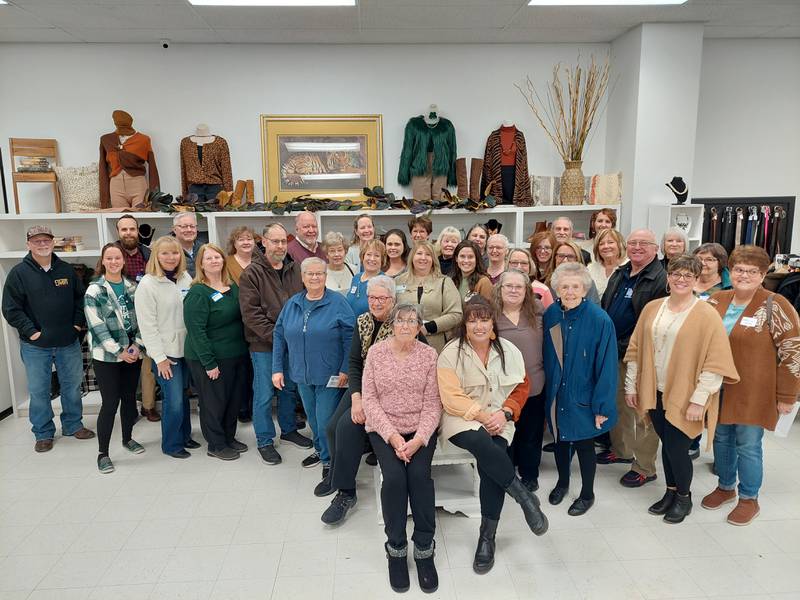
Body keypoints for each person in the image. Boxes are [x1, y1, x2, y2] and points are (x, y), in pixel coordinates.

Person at [437, 298, 548, 575]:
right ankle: (524, 497)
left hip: (499, 419)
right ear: (464, 324)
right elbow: (451, 397)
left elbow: (522, 387)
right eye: (472, 320)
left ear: (492, 322)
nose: (478, 325)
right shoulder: (451, 353)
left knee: (491, 466)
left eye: (484, 319)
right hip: (461, 419)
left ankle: (487, 538)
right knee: (480, 442)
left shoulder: (509, 350)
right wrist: (483, 416)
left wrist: (506, 414)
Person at [625, 254, 738, 523]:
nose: (681, 279)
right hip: (655, 390)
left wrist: (700, 399)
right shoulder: (653, 308)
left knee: (677, 447)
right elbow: (636, 349)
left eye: (688, 275)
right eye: (676, 274)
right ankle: (671, 491)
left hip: (686, 394)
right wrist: (632, 386)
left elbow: (715, 361)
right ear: (668, 276)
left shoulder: (706, 314)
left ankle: (684, 498)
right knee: (666, 445)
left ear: (697, 280)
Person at [702, 245, 800, 526]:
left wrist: (786, 394)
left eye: (752, 271)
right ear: (729, 271)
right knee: (721, 439)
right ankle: (725, 487)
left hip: (754, 389)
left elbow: (793, 351)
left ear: (762, 274)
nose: (744, 275)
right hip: (718, 388)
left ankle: (748, 498)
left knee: (748, 444)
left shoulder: (775, 304)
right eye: (739, 269)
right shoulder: (716, 300)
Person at [363, 303, 442, 594]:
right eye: (401, 320)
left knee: (419, 477)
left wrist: (419, 439)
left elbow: (434, 402)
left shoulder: (429, 355)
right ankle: (395, 548)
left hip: (420, 430)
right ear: (392, 324)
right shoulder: (376, 353)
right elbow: (369, 401)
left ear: (420, 325)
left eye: (412, 321)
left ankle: (424, 547)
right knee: (395, 479)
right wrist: (394, 438)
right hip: (385, 430)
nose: (406, 326)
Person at [2, 225, 94, 452]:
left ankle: (73, 425)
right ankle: (43, 433)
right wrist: (31, 331)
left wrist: (76, 325)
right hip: (35, 346)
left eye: (46, 241)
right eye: (37, 241)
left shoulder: (66, 270)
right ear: (28, 244)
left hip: (67, 343)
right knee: (39, 390)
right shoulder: (18, 273)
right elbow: (11, 308)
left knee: (72, 387)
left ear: (53, 242)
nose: (42, 245)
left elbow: (80, 300)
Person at [319, 277, 407, 513]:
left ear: (393, 299)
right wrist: (357, 397)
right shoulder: (363, 321)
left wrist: (367, 403)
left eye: (382, 298)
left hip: (388, 392)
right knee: (331, 428)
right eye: (372, 297)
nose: (376, 302)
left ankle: (345, 492)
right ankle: (337, 475)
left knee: (348, 427)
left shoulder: (404, 323)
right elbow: (355, 363)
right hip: (363, 385)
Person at [542, 263, 618, 516]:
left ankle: (587, 494)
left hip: (585, 396)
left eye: (575, 286)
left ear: (585, 289)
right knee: (561, 442)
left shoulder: (599, 319)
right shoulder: (552, 313)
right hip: (557, 393)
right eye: (565, 286)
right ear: (557, 289)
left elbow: (607, 367)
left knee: (585, 446)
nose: (570, 291)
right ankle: (563, 483)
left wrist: (601, 407)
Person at [273, 257, 355, 481]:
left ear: (325, 277)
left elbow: (351, 336)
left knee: (325, 419)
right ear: (303, 277)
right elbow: (279, 334)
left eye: (320, 273)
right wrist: (277, 368)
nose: (315, 277)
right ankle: (320, 451)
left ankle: (330, 460)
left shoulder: (338, 302)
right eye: (310, 274)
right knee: (312, 417)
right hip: (301, 374)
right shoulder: (293, 303)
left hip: (331, 375)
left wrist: (345, 368)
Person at [598, 229, 668, 488]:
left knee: (643, 411)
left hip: (640, 354)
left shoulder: (660, 279)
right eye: (633, 243)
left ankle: (644, 466)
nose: (637, 247)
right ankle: (623, 450)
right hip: (615, 351)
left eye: (644, 243)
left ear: (655, 249)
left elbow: (652, 324)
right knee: (620, 405)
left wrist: (625, 346)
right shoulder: (622, 272)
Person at [239, 223, 312, 466]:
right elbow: (252, 315)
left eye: (283, 241)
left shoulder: (295, 268)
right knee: (264, 393)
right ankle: (265, 440)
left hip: (293, 344)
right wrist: (280, 338)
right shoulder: (251, 273)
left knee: (290, 388)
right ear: (264, 242)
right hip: (264, 346)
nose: (280, 246)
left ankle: (289, 429)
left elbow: (305, 301)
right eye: (275, 241)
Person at [184, 243, 250, 461]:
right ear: (201, 264)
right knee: (214, 402)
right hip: (210, 358)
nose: (214, 261)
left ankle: (229, 438)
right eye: (208, 258)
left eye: (217, 257)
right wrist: (209, 363)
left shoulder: (231, 287)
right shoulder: (198, 292)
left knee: (233, 399)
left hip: (236, 354)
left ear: (223, 260)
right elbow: (196, 331)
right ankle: (216, 444)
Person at [134, 236, 197, 458]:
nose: (171, 258)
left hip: (186, 349)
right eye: (165, 253)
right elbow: (147, 326)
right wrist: (159, 358)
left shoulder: (185, 278)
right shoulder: (148, 284)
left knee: (184, 395)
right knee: (174, 400)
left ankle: (185, 436)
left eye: (175, 253)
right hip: (165, 354)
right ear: (156, 256)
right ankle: (171, 444)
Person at [84, 243, 145, 473]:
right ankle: (103, 453)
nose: (114, 261)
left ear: (123, 260)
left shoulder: (132, 287)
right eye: (109, 258)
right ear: (103, 261)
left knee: (129, 398)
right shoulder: (94, 290)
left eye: (117, 257)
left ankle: (127, 439)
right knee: (110, 403)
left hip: (132, 353)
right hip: (107, 356)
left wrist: (137, 346)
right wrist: (118, 351)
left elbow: (142, 319)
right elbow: (97, 326)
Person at [494, 270, 547, 492]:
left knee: (531, 434)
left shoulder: (537, 312)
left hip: (535, 384)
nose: (514, 290)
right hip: (503, 388)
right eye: (509, 286)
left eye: (519, 286)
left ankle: (529, 474)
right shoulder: (492, 314)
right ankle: (507, 476)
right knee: (506, 434)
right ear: (500, 289)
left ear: (527, 290)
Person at [115, 214, 159, 422]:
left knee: (147, 367)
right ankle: (129, 409)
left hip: (147, 317)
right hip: (121, 319)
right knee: (125, 367)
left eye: (132, 229)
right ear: (118, 232)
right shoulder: (112, 254)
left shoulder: (149, 254)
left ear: (137, 230)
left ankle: (148, 406)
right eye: (124, 230)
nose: (128, 233)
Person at [396, 241, 462, 353]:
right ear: (412, 257)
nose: (423, 258)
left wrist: (428, 327)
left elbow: (456, 314)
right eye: (419, 253)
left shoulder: (445, 282)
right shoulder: (398, 281)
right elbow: (392, 310)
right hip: (403, 344)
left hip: (436, 345)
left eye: (428, 254)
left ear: (433, 259)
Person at [225, 226, 257, 423]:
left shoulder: (260, 262)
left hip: (257, 321)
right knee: (241, 367)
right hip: (235, 321)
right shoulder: (226, 263)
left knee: (255, 368)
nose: (246, 242)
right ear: (234, 243)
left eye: (249, 239)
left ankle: (253, 405)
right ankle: (242, 406)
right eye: (241, 239)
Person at [346, 239, 386, 316]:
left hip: (371, 327)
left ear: (382, 259)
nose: (372, 259)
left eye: (377, 255)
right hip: (351, 326)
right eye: (369, 254)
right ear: (363, 256)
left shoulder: (384, 281)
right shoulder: (356, 278)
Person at [587, 228, 628, 296]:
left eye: (610, 242)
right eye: (601, 244)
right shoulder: (591, 269)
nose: (606, 246)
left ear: (620, 245)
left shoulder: (629, 267)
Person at [172, 212, 202, 278]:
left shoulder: (203, 249)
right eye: (184, 226)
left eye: (192, 226)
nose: (189, 230)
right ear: (174, 229)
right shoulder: (168, 251)